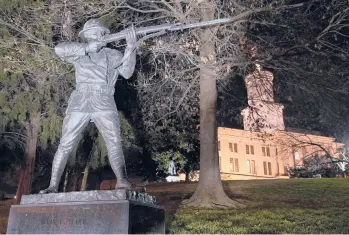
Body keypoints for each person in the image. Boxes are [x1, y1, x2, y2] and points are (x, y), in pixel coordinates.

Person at [40, 19, 137, 193]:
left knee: (114, 142)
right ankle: (53, 185)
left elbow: (127, 72)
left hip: (103, 99)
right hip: (80, 100)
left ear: (104, 34)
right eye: (90, 34)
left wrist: (131, 48)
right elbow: (59, 49)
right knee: (65, 144)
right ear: (86, 37)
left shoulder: (113, 54)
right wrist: (86, 48)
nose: (94, 36)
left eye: (97, 32)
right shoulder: (79, 52)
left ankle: (122, 180)